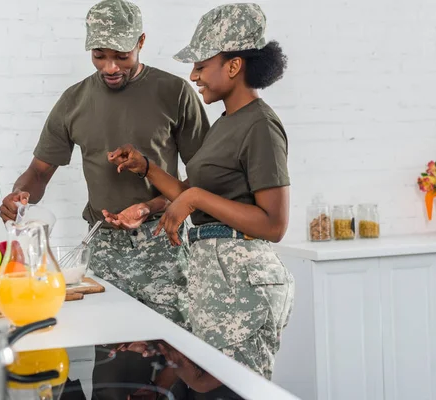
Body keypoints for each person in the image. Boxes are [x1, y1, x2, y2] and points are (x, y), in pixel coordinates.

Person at [107, 2, 295, 385]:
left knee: (234, 390)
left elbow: (274, 225)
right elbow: (193, 193)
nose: (194, 75)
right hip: (215, 274)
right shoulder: (226, 122)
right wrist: (147, 167)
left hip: (242, 277)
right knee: (203, 384)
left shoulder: (260, 125)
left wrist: (193, 200)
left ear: (233, 65)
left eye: (201, 65)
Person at [0, 0, 210, 329]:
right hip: (102, 248)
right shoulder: (74, 100)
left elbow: (201, 184)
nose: (110, 67)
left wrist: (149, 206)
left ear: (140, 42)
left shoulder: (176, 93)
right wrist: (18, 197)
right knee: (110, 362)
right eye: (99, 55)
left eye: (121, 56)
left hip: (163, 244)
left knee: (172, 358)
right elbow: (39, 172)